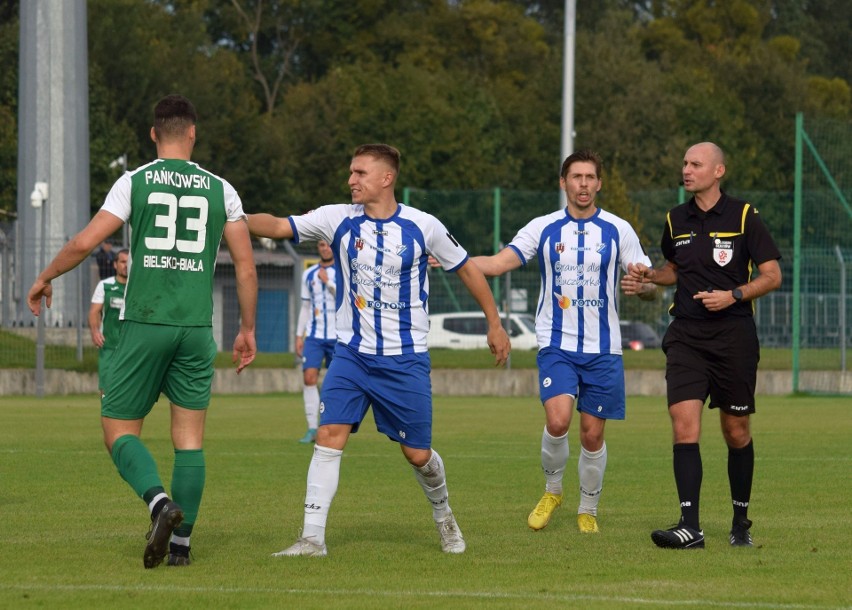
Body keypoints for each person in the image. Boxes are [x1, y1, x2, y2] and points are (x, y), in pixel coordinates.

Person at [27, 94, 258, 568]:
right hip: (196, 328)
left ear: (154, 134)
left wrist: (46, 276)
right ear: (192, 133)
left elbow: (85, 242)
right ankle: (182, 548)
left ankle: (158, 503)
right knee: (189, 438)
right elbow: (246, 267)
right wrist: (247, 329)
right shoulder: (222, 189)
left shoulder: (135, 181)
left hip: (144, 323)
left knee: (118, 429)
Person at [248, 143, 510, 557]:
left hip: (405, 360)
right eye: (351, 173)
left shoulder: (424, 226)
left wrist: (494, 323)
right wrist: (235, 217)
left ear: (386, 179)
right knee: (329, 435)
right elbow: (280, 226)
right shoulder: (336, 218)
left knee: (418, 454)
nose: (351, 180)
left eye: (360, 173)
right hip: (351, 355)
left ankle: (444, 517)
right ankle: (312, 538)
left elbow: (467, 271)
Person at [470, 150, 656, 535]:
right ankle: (552, 490)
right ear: (563, 182)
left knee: (592, 433)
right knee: (557, 421)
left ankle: (588, 508)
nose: (583, 184)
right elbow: (500, 262)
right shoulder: (544, 227)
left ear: (599, 183)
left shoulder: (619, 230)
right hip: (556, 344)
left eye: (590, 177)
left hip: (604, 350)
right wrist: (456, 259)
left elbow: (648, 282)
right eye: (576, 177)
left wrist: (644, 286)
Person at [626, 142, 782, 549]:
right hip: (686, 337)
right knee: (684, 426)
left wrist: (733, 296)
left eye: (695, 164)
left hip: (733, 336)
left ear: (718, 171)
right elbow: (674, 271)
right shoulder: (675, 218)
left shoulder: (744, 215)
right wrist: (648, 277)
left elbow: (772, 275)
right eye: (684, 163)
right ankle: (689, 526)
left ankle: (740, 522)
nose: (687, 169)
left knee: (736, 430)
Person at [294, 239, 337, 444]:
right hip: (314, 335)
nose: (325, 248)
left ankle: (332, 428)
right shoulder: (308, 275)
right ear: (318, 248)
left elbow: (348, 300)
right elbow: (305, 307)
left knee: (336, 383)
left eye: (328, 244)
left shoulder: (343, 271)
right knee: (309, 378)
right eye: (321, 245)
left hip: (339, 336)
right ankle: (312, 428)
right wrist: (298, 335)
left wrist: (328, 282)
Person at [88, 248, 129, 395]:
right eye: (122, 262)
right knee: (106, 390)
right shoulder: (105, 285)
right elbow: (94, 311)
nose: (126, 265)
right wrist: (95, 331)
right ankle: (107, 417)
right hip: (109, 346)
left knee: (130, 391)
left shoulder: (137, 287)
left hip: (132, 347)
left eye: (129, 262)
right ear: (115, 265)